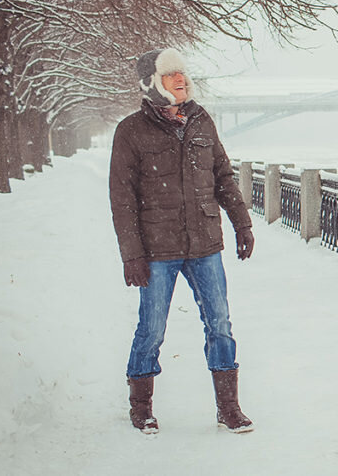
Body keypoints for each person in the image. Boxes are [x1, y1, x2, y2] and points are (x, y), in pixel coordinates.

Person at [109, 47, 256, 434]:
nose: (182, 79)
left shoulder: (201, 121)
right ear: (153, 84)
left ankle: (228, 408)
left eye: (182, 73)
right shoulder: (130, 131)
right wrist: (131, 255)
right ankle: (141, 407)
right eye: (171, 74)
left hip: (205, 244)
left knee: (220, 323)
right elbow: (122, 199)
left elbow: (222, 175)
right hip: (157, 249)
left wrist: (242, 224)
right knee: (152, 328)